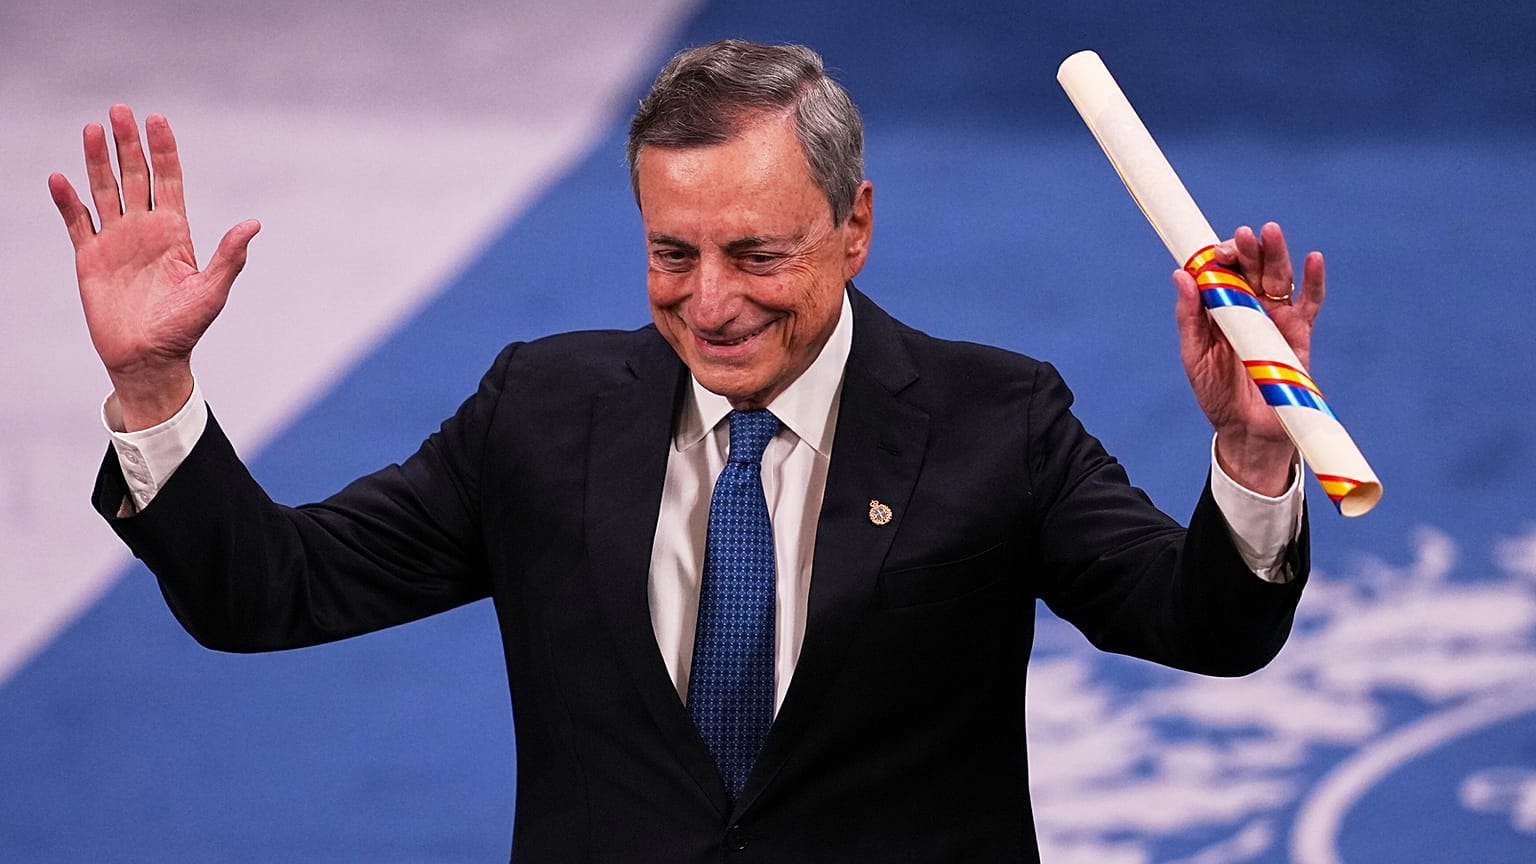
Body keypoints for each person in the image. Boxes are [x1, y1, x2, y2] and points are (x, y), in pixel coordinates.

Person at [51, 40, 1318, 863]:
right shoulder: (542, 410)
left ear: (855, 226)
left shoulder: (997, 418)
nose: (710, 302)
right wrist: (155, 382)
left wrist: (1252, 455)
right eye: (673, 252)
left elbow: (1208, 626)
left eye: (758, 254)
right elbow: (265, 590)